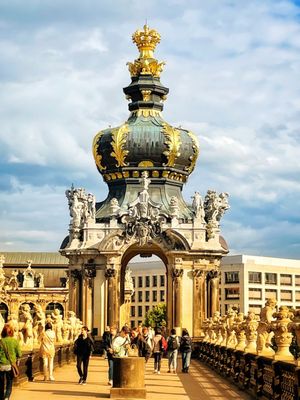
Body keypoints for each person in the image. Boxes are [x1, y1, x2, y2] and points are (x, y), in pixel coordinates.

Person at [0, 323, 22, 400]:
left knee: (1, 383)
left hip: (1, 365)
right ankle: (6, 397)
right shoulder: (14, 341)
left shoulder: (1, 341)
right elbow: (19, 353)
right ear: (11, 332)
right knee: (9, 383)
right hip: (10, 365)